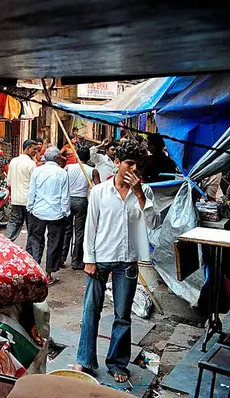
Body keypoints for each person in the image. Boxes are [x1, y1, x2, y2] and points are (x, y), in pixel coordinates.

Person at [74, 140, 162, 383]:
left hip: (127, 261)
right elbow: (90, 228)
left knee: (123, 315)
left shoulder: (144, 192)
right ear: (117, 163)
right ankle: (85, 360)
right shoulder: (100, 192)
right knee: (91, 310)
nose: (133, 169)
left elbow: (153, 224)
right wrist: (88, 260)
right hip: (100, 258)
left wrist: (139, 194)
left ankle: (117, 363)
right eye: (129, 163)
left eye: (137, 164)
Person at [26, 147, 70, 285]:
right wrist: (65, 212)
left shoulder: (37, 171)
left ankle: (36, 270)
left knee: (35, 240)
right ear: (57, 158)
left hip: (38, 211)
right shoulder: (62, 173)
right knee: (54, 243)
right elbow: (65, 196)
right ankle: (49, 273)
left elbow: (32, 191)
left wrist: (30, 206)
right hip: (56, 213)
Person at [62, 146, 101, 270]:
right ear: (88, 157)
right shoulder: (92, 170)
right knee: (79, 232)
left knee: (66, 230)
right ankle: (77, 261)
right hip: (82, 201)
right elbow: (98, 188)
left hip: (68, 200)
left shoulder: (68, 168)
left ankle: (61, 258)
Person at [5, 139, 38, 241]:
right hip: (28, 200)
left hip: (16, 199)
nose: (36, 151)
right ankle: (31, 250)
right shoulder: (31, 164)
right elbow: (35, 183)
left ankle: (6, 242)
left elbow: (9, 182)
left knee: (14, 222)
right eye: (34, 149)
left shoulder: (13, 161)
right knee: (31, 227)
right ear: (27, 148)